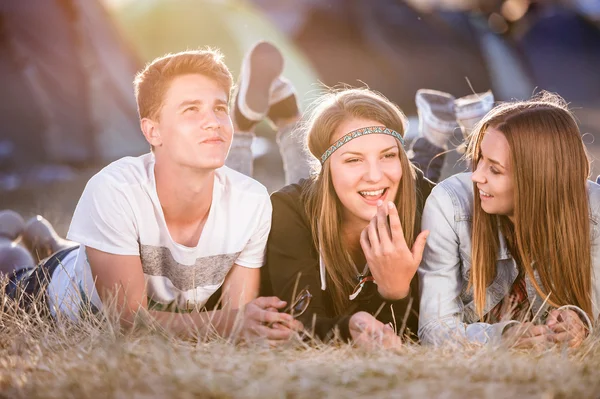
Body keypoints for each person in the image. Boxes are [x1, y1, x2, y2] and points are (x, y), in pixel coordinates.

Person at [1, 48, 302, 343]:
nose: (213, 121)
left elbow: (236, 315)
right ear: (153, 131)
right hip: (51, 292)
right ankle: (9, 236)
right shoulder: (114, 189)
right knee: (12, 272)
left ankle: (48, 240)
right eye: (191, 109)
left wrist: (247, 323)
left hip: (108, 259)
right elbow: (130, 321)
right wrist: (232, 322)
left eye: (220, 108)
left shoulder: (252, 200)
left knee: (95, 253)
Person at [418, 92, 599, 348]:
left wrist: (579, 321)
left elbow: (591, 310)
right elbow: (433, 329)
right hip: (448, 199)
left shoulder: (594, 213)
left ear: (537, 180)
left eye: (494, 168)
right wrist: (499, 337)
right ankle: (456, 134)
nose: (476, 176)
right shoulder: (449, 204)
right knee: (418, 187)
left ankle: (479, 132)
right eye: (478, 159)